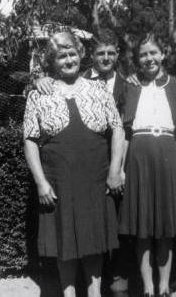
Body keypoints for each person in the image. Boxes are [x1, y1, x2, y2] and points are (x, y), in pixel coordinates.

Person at [23, 31, 125, 297]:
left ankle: (95, 294)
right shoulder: (39, 94)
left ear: (80, 54)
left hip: (95, 179)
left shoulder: (99, 89)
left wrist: (115, 170)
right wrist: (40, 182)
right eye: (61, 55)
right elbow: (30, 141)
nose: (68, 60)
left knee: (95, 240)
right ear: (52, 62)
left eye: (71, 53)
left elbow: (117, 129)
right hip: (59, 181)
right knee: (63, 240)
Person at [118, 33, 176, 297]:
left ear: (162, 54)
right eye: (143, 55)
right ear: (137, 60)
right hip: (139, 155)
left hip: (167, 155)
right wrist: (121, 169)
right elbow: (124, 133)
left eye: (153, 53)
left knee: (165, 227)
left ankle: (163, 287)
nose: (149, 58)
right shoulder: (130, 86)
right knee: (143, 227)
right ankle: (148, 287)